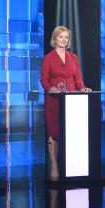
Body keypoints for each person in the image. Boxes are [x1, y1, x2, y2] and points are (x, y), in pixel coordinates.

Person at [40, 26, 90, 180]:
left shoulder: (73, 57)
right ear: (55, 39)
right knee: (55, 133)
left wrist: (82, 88)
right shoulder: (49, 57)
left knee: (72, 132)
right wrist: (51, 88)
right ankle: (54, 164)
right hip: (55, 100)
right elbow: (44, 79)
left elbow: (78, 78)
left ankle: (73, 165)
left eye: (66, 37)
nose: (64, 40)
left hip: (72, 99)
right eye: (61, 37)